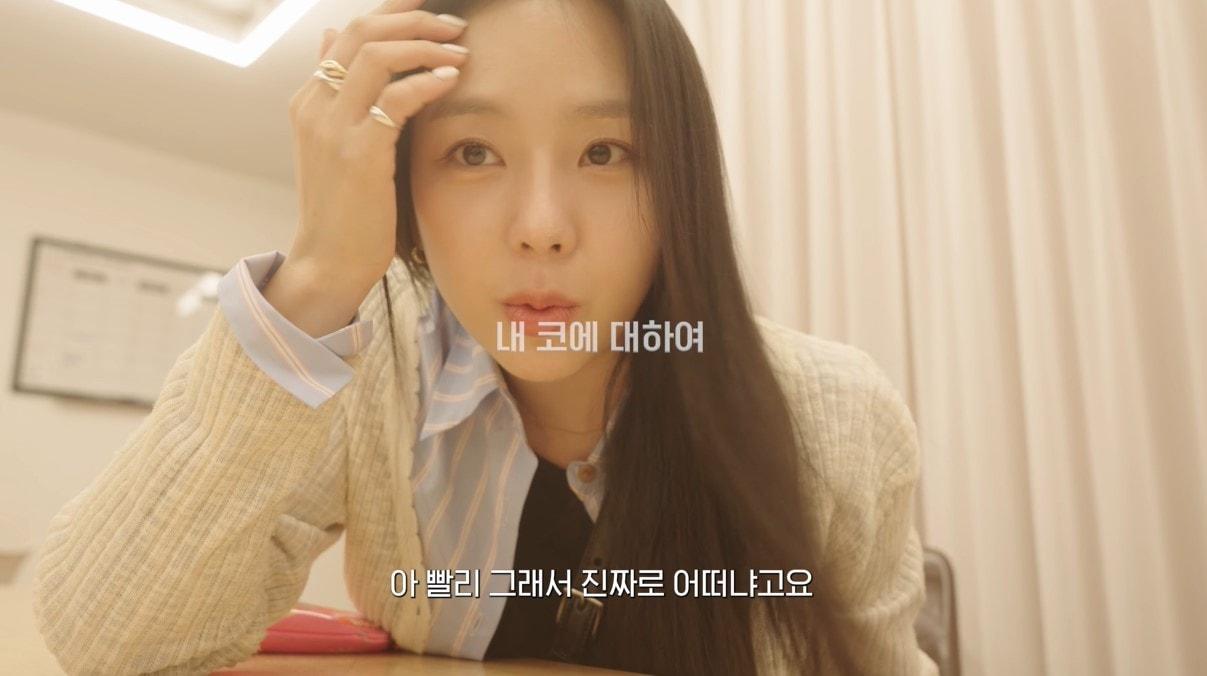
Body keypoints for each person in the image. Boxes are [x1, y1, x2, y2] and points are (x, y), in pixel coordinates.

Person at [31, 0, 939, 674]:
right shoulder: (369, 366)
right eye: (472, 153)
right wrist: (316, 278)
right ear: (405, 187)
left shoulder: (832, 413)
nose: (540, 228)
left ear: (681, 182)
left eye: (605, 152)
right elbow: (111, 641)